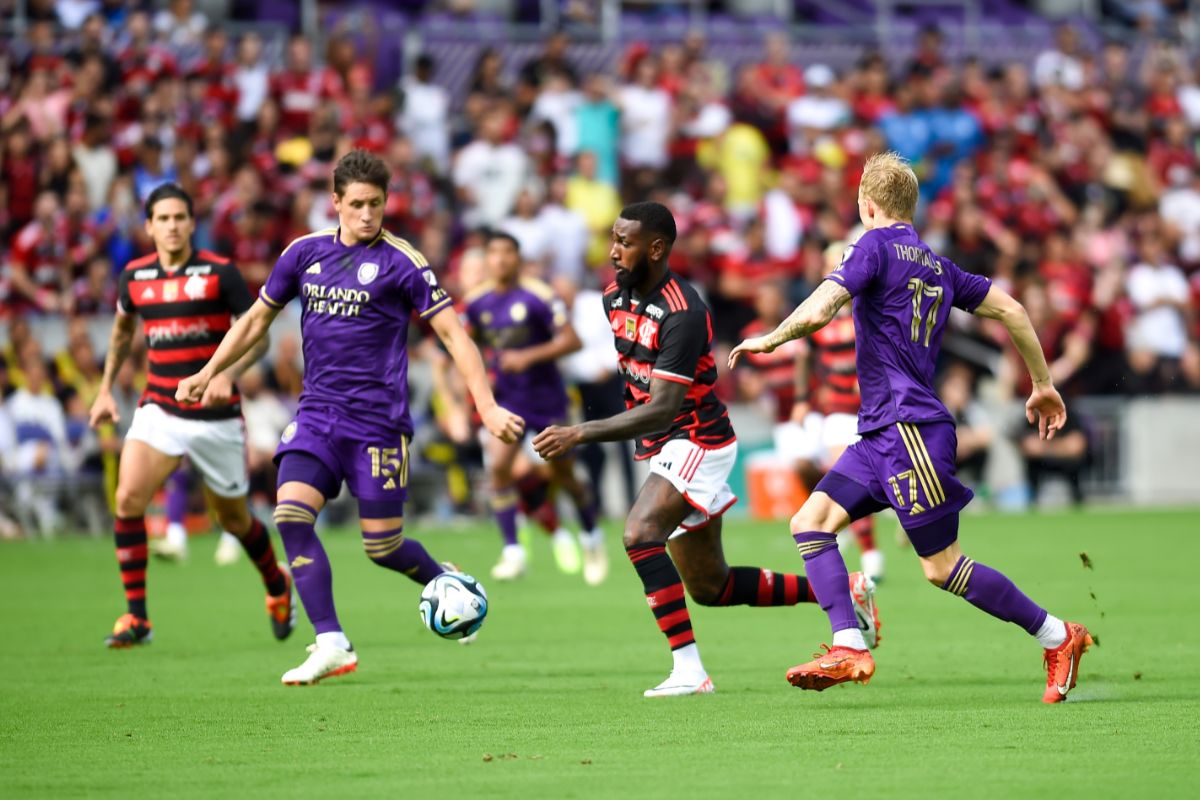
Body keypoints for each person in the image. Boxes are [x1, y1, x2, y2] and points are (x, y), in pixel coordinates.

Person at [729, 153, 1092, 703]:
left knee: (941, 568)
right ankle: (848, 643)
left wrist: (771, 338)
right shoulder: (938, 265)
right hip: (882, 433)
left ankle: (1058, 635)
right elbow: (1015, 312)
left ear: (865, 205)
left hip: (911, 431)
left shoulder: (871, 246)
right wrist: (1041, 384)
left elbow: (824, 306)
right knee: (811, 521)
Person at [176, 150, 524, 686]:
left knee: (382, 546)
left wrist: (486, 405)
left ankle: (446, 581)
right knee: (290, 516)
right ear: (334, 202)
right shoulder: (302, 254)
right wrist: (209, 370)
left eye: (376, 204)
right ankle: (331, 641)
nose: (367, 215)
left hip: (378, 427)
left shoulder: (401, 261)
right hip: (317, 416)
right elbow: (253, 322)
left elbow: (455, 335)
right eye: (356, 204)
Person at [533, 202, 879, 698]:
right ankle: (843, 591)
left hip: (696, 437)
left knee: (639, 533)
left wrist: (580, 432)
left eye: (624, 243)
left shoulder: (684, 311)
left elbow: (662, 407)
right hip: (662, 445)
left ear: (656, 249)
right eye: (612, 239)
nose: (612, 252)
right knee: (710, 586)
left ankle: (690, 671)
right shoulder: (614, 297)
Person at [88, 183, 294, 649]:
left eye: (180, 217)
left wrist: (228, 372)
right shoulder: (135, 276)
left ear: (191, 222)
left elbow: (257, 335)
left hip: (215, 416)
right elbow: (122, 334)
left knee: (236, 522)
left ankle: (277, 584)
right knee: (127, 499)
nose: (173, 225)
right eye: (163, 219)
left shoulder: (221, 273)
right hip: (159, 405)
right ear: (149, 226)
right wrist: (104, 390)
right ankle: (137, 617)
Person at [465, 231, 606, 584]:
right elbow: (470, 346)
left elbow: (573, 341)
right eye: (493, 252)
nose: (500, 260)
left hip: (548, 402)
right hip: (508, 402)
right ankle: (513, 552)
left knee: (565, 477)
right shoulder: (476, 302)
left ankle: (592, 536)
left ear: (518, 258)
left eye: (507, 253)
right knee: (499, 467)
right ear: (487, 259)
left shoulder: (540, 296)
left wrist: (527, 356)